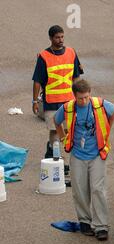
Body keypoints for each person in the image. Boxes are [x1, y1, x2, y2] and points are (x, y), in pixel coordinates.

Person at [54, 80, 114, 241]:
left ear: (90, 93)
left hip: (97, 154)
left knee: (98, 189)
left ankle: (101, 226)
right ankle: (84, 222)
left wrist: (106, 132)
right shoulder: (68, 107)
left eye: (86, 97)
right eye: (80, 98)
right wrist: (63, 138)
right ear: (74, 96)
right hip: (77, 155)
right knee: (80, 190)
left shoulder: (100, 104)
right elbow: (56, 120)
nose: (84, 101)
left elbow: (113, 112)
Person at [32, 25, 84, 161]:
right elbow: (37, 81)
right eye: (57, 37)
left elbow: (76, 77)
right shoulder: (44, 57)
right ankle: (55, 157)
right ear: (50, 38)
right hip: (51, 101)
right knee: (55, 130)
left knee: (68, 130)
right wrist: (35, 101)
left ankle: (59, 154)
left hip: (69, 100)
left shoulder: (71, 53)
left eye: (62, 37)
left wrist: (81, 96)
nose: (60, 40)